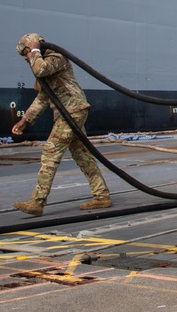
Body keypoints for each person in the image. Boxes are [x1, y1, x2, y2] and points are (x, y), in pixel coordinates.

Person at [11, 33, 111, 216]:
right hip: (69, 112)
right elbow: (43, 97)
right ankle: (102, 195)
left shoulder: (56, 58)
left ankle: (37, 201)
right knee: (83, 156)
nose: (26, 57)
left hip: (72, 111)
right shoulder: (41, 63)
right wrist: (26, 120)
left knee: (50, 152)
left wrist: (33, 50)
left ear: (34, 46)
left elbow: (40, 70)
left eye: (25, 52)